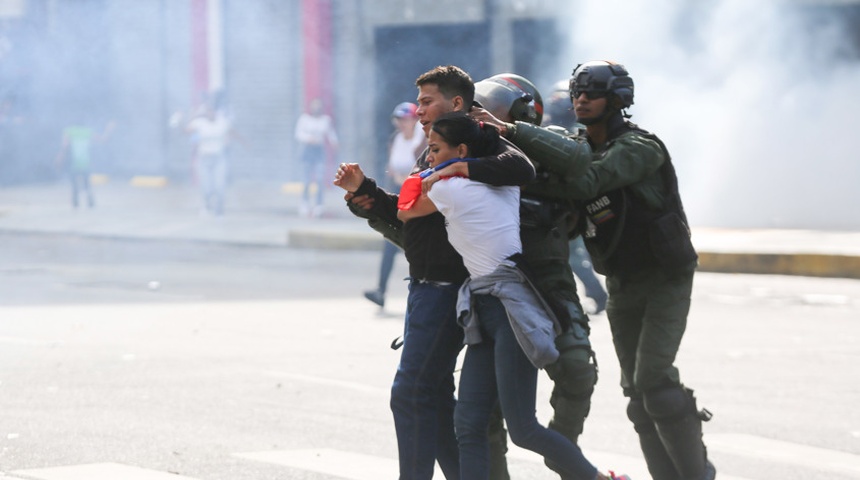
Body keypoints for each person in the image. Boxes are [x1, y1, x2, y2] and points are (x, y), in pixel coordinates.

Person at [477, 60, 716, 480]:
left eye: (593, 93)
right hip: (622, 279)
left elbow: (588, 182)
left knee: (656, 385)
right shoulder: (577, 146)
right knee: (638, 396)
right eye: (577, 93)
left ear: (618, 100)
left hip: (664, 275)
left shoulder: (641, 147)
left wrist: (513, 143)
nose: (582, 100)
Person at [399, 111, 629, 480]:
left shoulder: (448, 190)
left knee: (522, 428)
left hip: (508, 310)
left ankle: (598, 478)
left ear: (461, 149)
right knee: (469, 423)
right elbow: (517, 165)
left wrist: (446, 172)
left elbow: (406, 210)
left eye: (435, 149)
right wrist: (463, 158)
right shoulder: (504, 182)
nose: (428, 157)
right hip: (486, 304)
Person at [333, 65, 534, 480]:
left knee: (410, 394)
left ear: (456, 102)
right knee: (435, 397)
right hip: (424, 289)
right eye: (420, 103)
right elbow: (410, 215)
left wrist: (460, 167)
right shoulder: (434, 149)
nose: (420, 111)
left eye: (427, 102)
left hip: (448, 290)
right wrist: (364, 192)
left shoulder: (474, 142)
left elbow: (521, 169)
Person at [471, 74, 600, 463]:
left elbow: (578, 158)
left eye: (495, 110)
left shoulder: (549, 144)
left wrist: (512, 131)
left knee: (577, 369)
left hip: (550, 281)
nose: (484, 117)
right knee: (486, 411)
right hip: (496, 286)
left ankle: (564, 455)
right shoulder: (469, 153)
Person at [543, 79, 608, 314]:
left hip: (570, 206)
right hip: (558, 206)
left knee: (573, 257)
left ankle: (597, 296)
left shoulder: (580, 136)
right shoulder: (544, 131)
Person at [364, 102, 425, 308]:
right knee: (390, 243)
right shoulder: (396, 140)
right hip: (399, 198)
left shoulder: (423, 140)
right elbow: (391, 170)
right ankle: (380, 291)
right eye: (399, 120)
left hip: (419, 200)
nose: (402, 124)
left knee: (417, 246)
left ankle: (421, 292)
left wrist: (406, 179)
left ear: (415, 120)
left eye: (406, 119)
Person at [185, 102, 242, 216]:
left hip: (219, 159)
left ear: (216, 112)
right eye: (208, 111)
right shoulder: (199, 123)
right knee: (206, 186)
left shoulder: (222, 122)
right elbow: (186, 131)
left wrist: (243, 142)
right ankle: (206, 205)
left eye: (212, 111)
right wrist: (194, 116)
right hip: (204, 159)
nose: (210, 113)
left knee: (220, 185)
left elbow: (232, 132)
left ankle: (219, 208)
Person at [55, 120, 115, 209]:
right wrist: (108, 129)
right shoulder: (87, 132)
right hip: (85, 163)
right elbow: (102, 139)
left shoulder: (69, 131)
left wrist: (59, 158)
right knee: (87, 186)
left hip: (73, 163)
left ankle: (76, 206)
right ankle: (90, 204)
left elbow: (64, 146)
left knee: (75, 186)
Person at [295, 98, 338, 218]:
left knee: (319, 178)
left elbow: (331, 134)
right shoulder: (304, 119)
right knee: (306, 179)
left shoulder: (325, 120)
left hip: (319, 151)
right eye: (314, 105)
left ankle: (319, 204)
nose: (316, 108)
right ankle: (305, 203)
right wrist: (309, 138)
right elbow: (298, 134)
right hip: (307, 151)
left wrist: (335, 143)